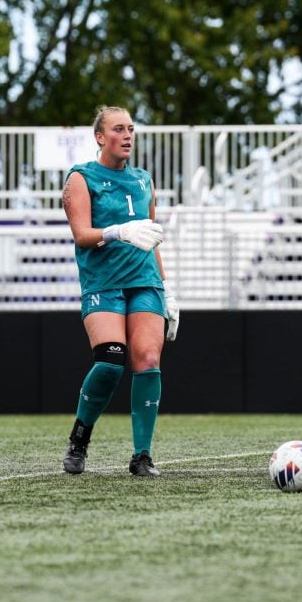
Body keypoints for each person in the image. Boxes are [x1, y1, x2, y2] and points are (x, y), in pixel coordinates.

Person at [59, 105, 180, 477]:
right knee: (111, 359)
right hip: (104, 283)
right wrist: (118, 231)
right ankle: (80, 437)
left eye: (130, 128)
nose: (127, 135)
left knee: (147, 360)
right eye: (118, 129)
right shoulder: (80, 178)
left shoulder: (144, 180)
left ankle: (141, 455)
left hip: (145, 282)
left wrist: (168, 292)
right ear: (100, 137)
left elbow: (152, 240)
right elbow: (82, 235)